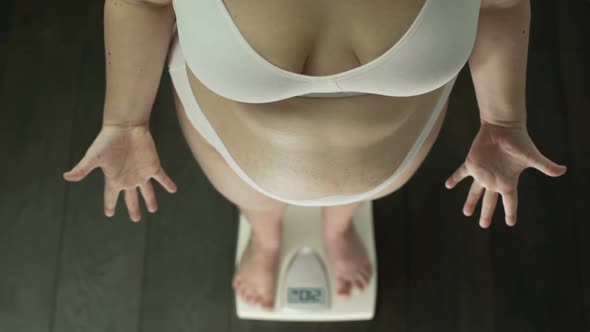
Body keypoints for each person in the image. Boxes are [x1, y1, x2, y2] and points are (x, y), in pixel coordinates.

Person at [63, 0, 567, 312]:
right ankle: (265, 238)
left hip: (388, 161)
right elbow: (141, 2)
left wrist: (503, 120)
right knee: (257, 206)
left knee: (346, 206)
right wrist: (124, 121)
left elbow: (500, 5)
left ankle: (339, 226)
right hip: (235, 149)